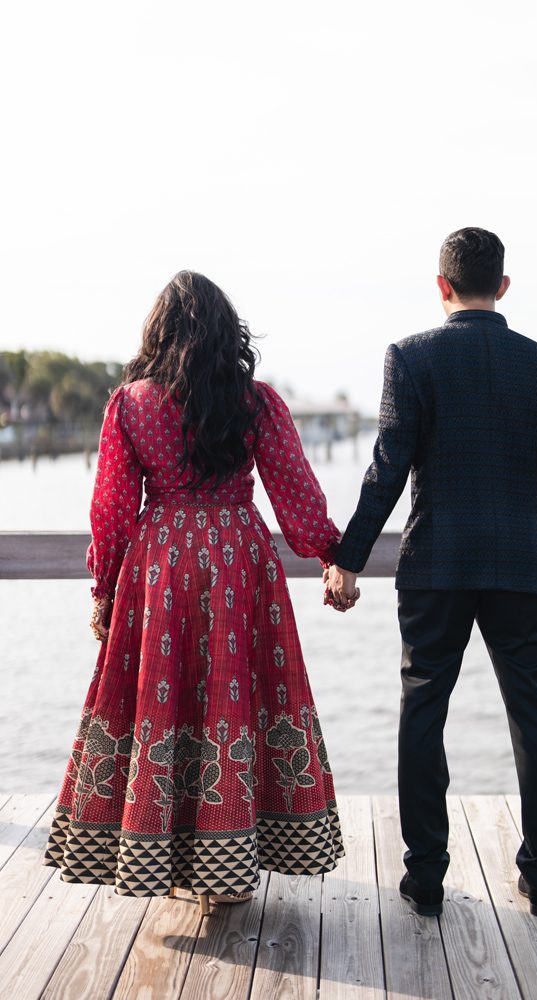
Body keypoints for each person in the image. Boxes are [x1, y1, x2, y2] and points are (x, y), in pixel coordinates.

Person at [43, 271, 354, 908]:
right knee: (232, 701)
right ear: (225, 331)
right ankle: (230, 860)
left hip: (160, 561)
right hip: (240, 557)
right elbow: (294, 492)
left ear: (157, 332)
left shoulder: (131, 403)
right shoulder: (257, 401)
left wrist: (103, 590)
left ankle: (172, 862)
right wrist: (330, 553)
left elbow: (111, 510)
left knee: (167, 703)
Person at [326, 227, 537, 918]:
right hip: (520, 564)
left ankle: (425, 875)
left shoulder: (411, 357)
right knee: (533, 711)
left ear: (441, 286)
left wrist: (347, 560)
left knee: (422, 709)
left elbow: (387, 468)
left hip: (435, 562)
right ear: (501, 285)